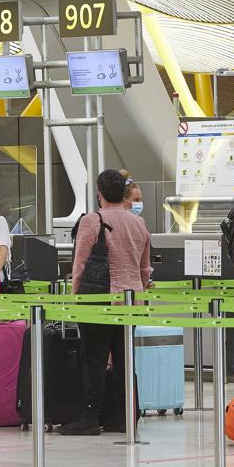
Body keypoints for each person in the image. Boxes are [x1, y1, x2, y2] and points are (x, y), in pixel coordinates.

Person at [59, 169, 153, 436]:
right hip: (131, 301)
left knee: (94, 359)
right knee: (124, 360)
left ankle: (90, 415)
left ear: (99, 193)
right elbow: (144, 270)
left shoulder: (92, 220)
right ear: (124, 194)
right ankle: (124, 416)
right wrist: (141, 298)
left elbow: (80, 264)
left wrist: (75, 298)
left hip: (99, 302)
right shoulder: (139, 223)